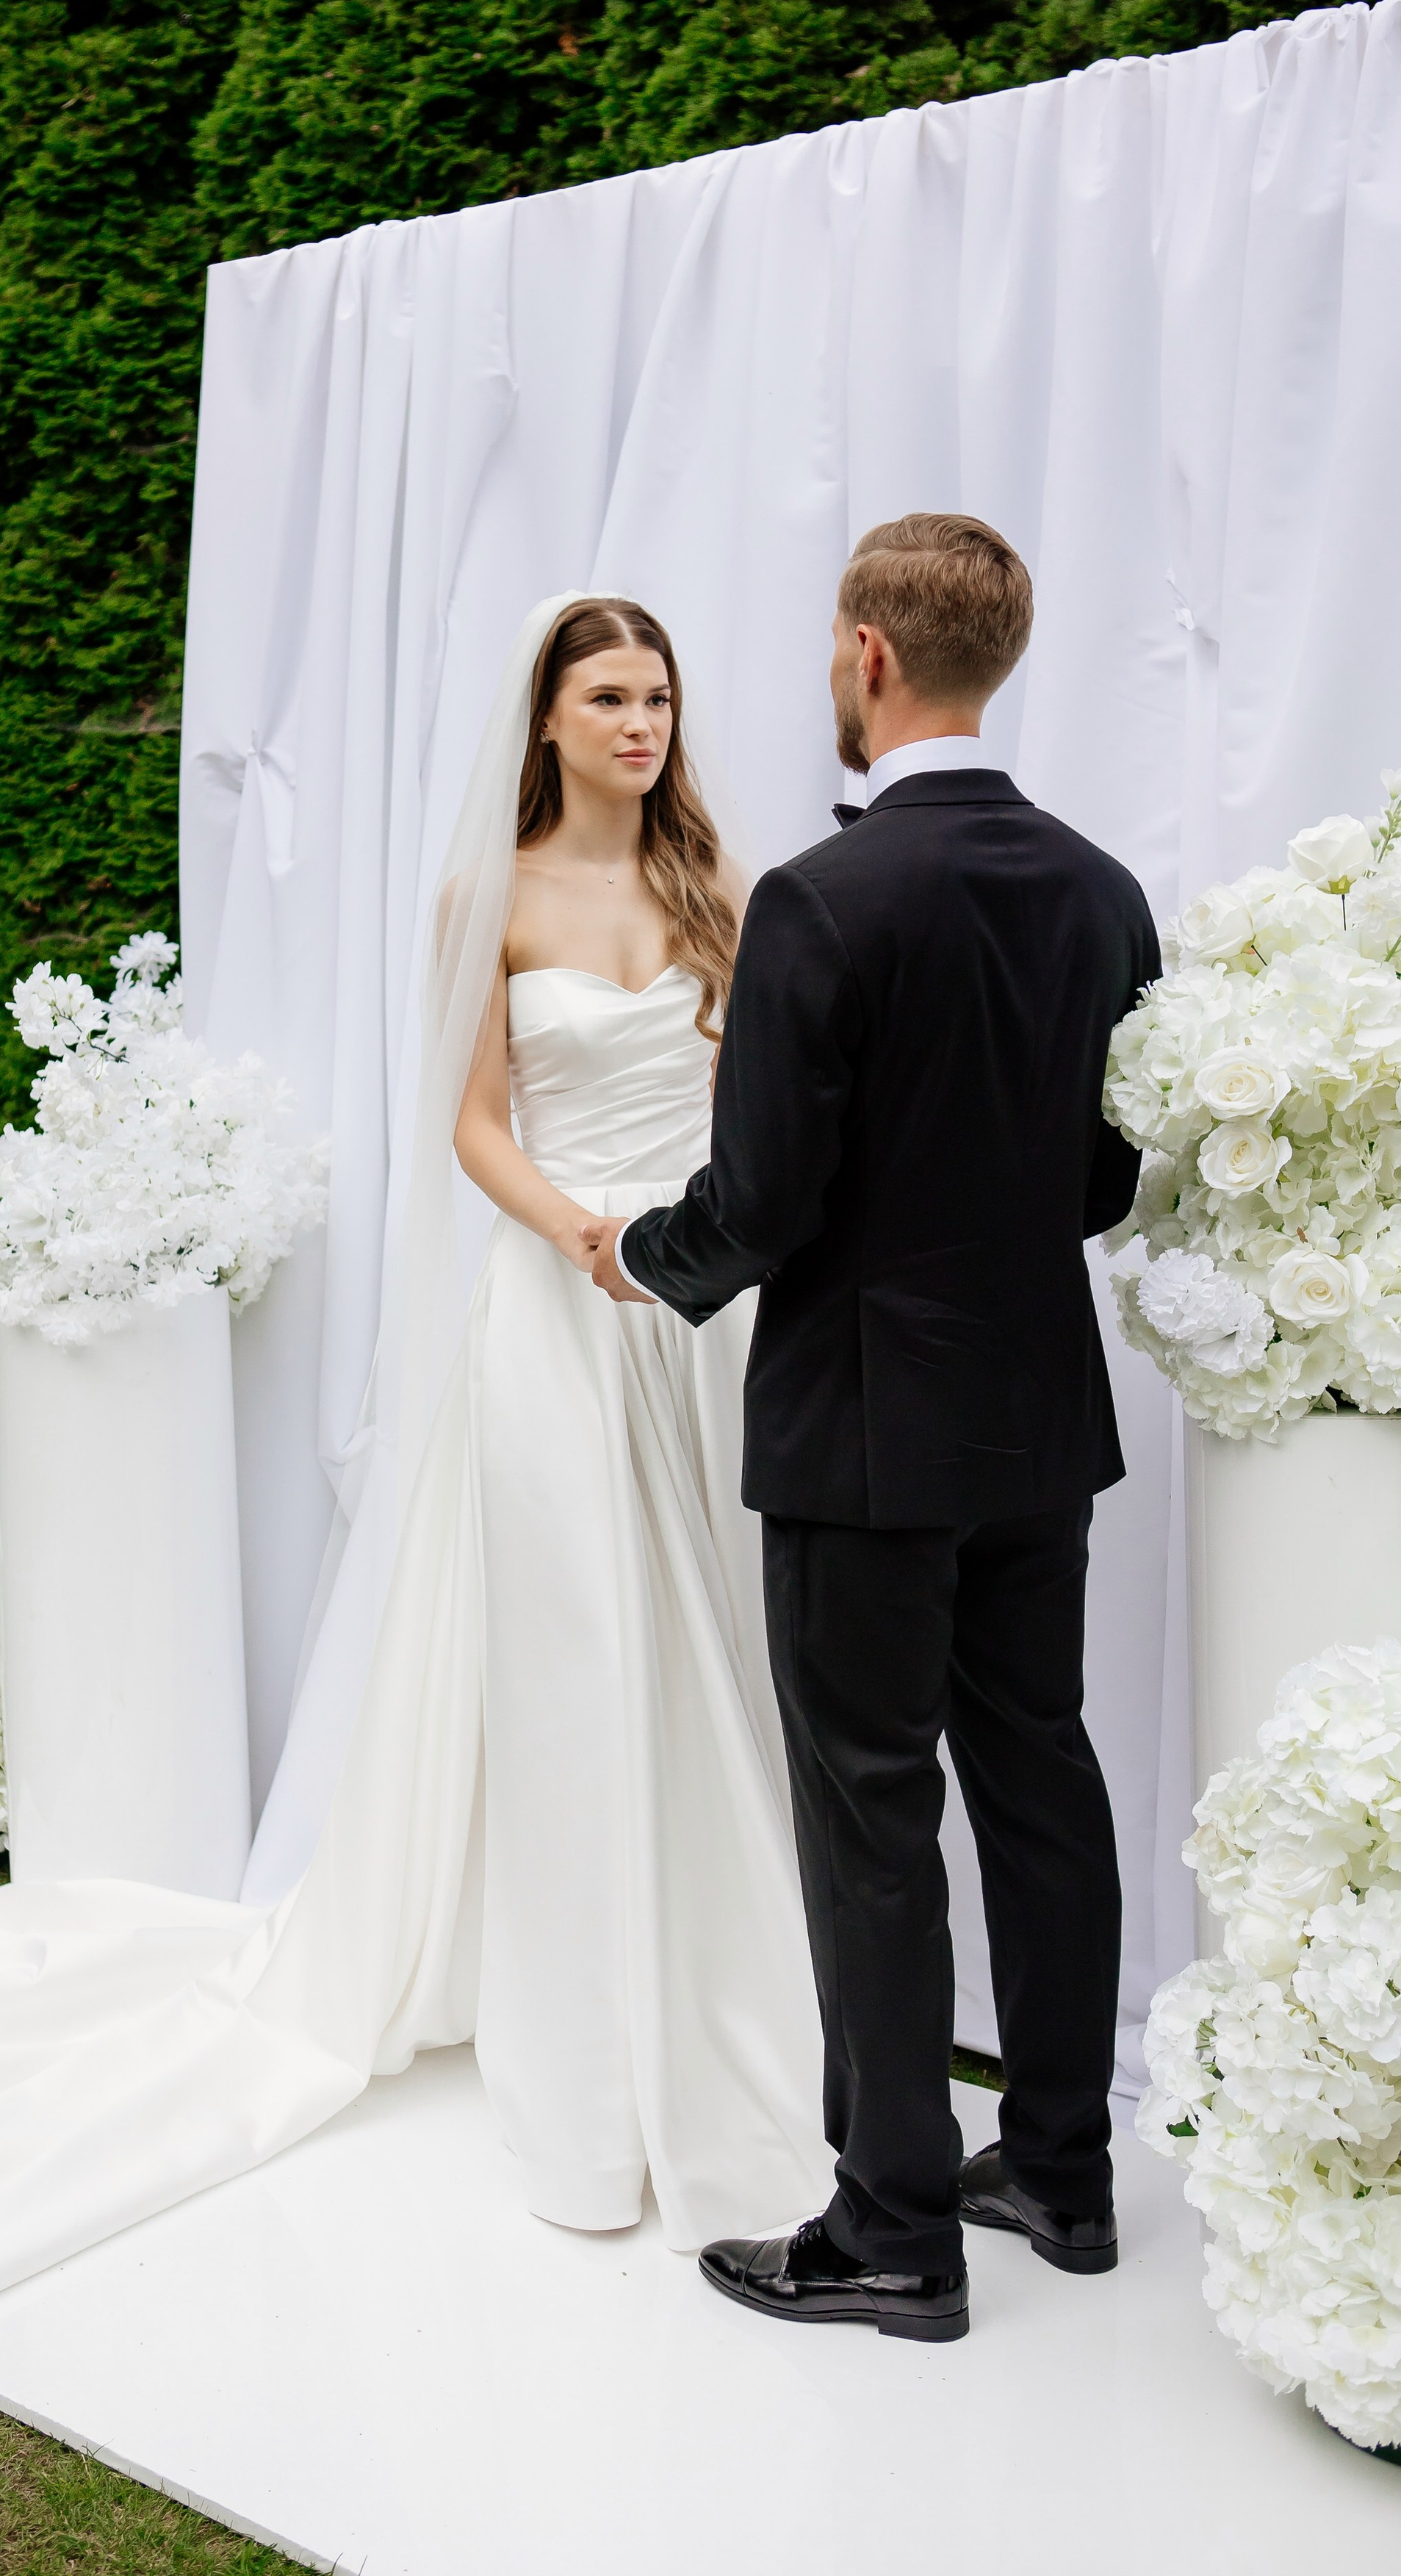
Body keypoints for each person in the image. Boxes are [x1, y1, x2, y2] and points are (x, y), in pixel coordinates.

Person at [0, 594, 831, 2430]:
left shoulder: (717, 886)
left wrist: (700, 1240)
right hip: (558, 1309)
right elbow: (468, 1125)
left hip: (697, 1316)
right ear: (546, 719)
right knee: (579, 1660)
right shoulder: (484, 894)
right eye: (606, 695)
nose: (640, 722)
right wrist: (578, 1229)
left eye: (657, 694)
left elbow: (757, 1096)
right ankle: (583, 2075)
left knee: (709, 1645)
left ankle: (721, 2003)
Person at [586, 515, 1161, 2346]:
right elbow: (1101, 1179)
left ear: (865, 655)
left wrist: (642, 1255)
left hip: (858, 1433)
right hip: (1034, 1417)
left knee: (870, 1813)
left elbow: (761, 1199)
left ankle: (894, 2227)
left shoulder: (820, 903)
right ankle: (1060, 2173)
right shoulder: (1099, 891)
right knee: (1040, 1776)